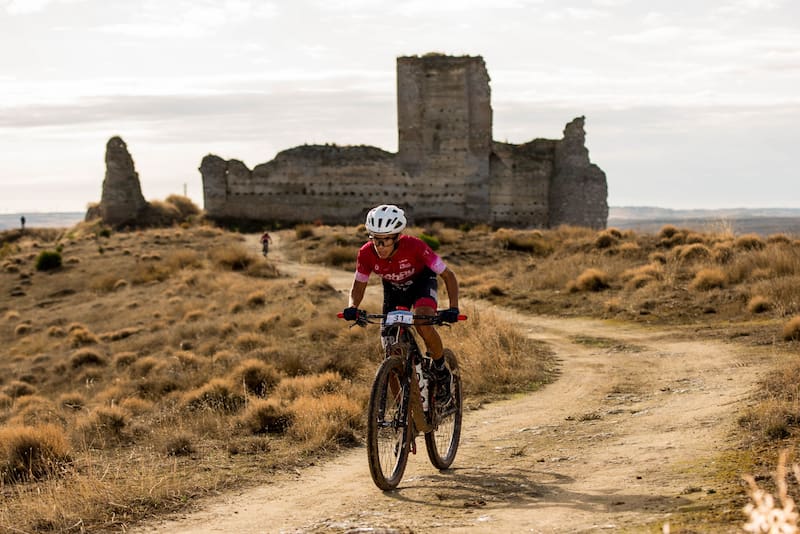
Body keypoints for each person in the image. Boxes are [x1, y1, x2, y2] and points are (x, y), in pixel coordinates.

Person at [343, 204, 460, 405]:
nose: (379, 246)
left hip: (421, 283)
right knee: (389, 349)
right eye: (375, 239)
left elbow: (448, 276)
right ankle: (402, 411)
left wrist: (454, 308)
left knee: (423, 321)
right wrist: (352, 306)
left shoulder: (416, 247)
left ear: (397, 237)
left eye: (385, 240)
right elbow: (359, 284)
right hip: (394, 290)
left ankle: (441, 370)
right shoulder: (365, 253)